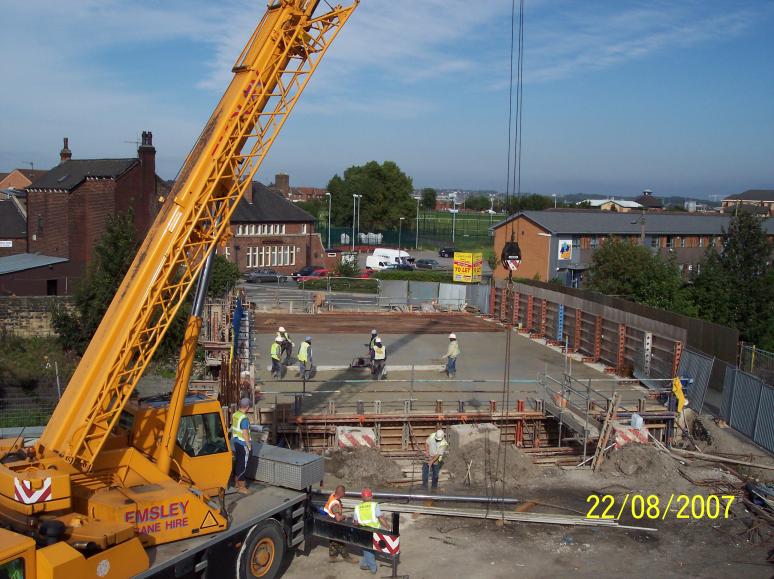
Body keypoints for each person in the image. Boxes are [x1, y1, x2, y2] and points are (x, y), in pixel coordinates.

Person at [354, 488, 389, 574]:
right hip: (374, 530)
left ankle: (369, 566)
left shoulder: (357, 507)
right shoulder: (374, 505)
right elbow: (380, 517)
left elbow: (355, 522)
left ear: (362, 497)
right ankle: (369, 566)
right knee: (368, 549)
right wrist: (388, 527)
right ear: (371, 496)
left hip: (363, 531)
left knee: (367, 549)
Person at [323, 485, 353, 562]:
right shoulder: (335, 504)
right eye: (344, 492)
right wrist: (344, 516)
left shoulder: (332, 495)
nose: (345, 493)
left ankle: (332, 556)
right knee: (341, 540)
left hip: (329, 521)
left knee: (333, 540)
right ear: (341, 492)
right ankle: (346, 557)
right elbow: (338, 518)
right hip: (335, 523)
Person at [231, 398, 253, 494]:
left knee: (239, 462)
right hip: (243, 444)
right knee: (243, 465)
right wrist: (249, 446)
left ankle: (236, 482)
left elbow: (233, 427)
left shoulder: (235, 415)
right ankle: (242, 486)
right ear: (247, 407)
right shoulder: (244, 419)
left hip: (236, 442)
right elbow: (245, 433)